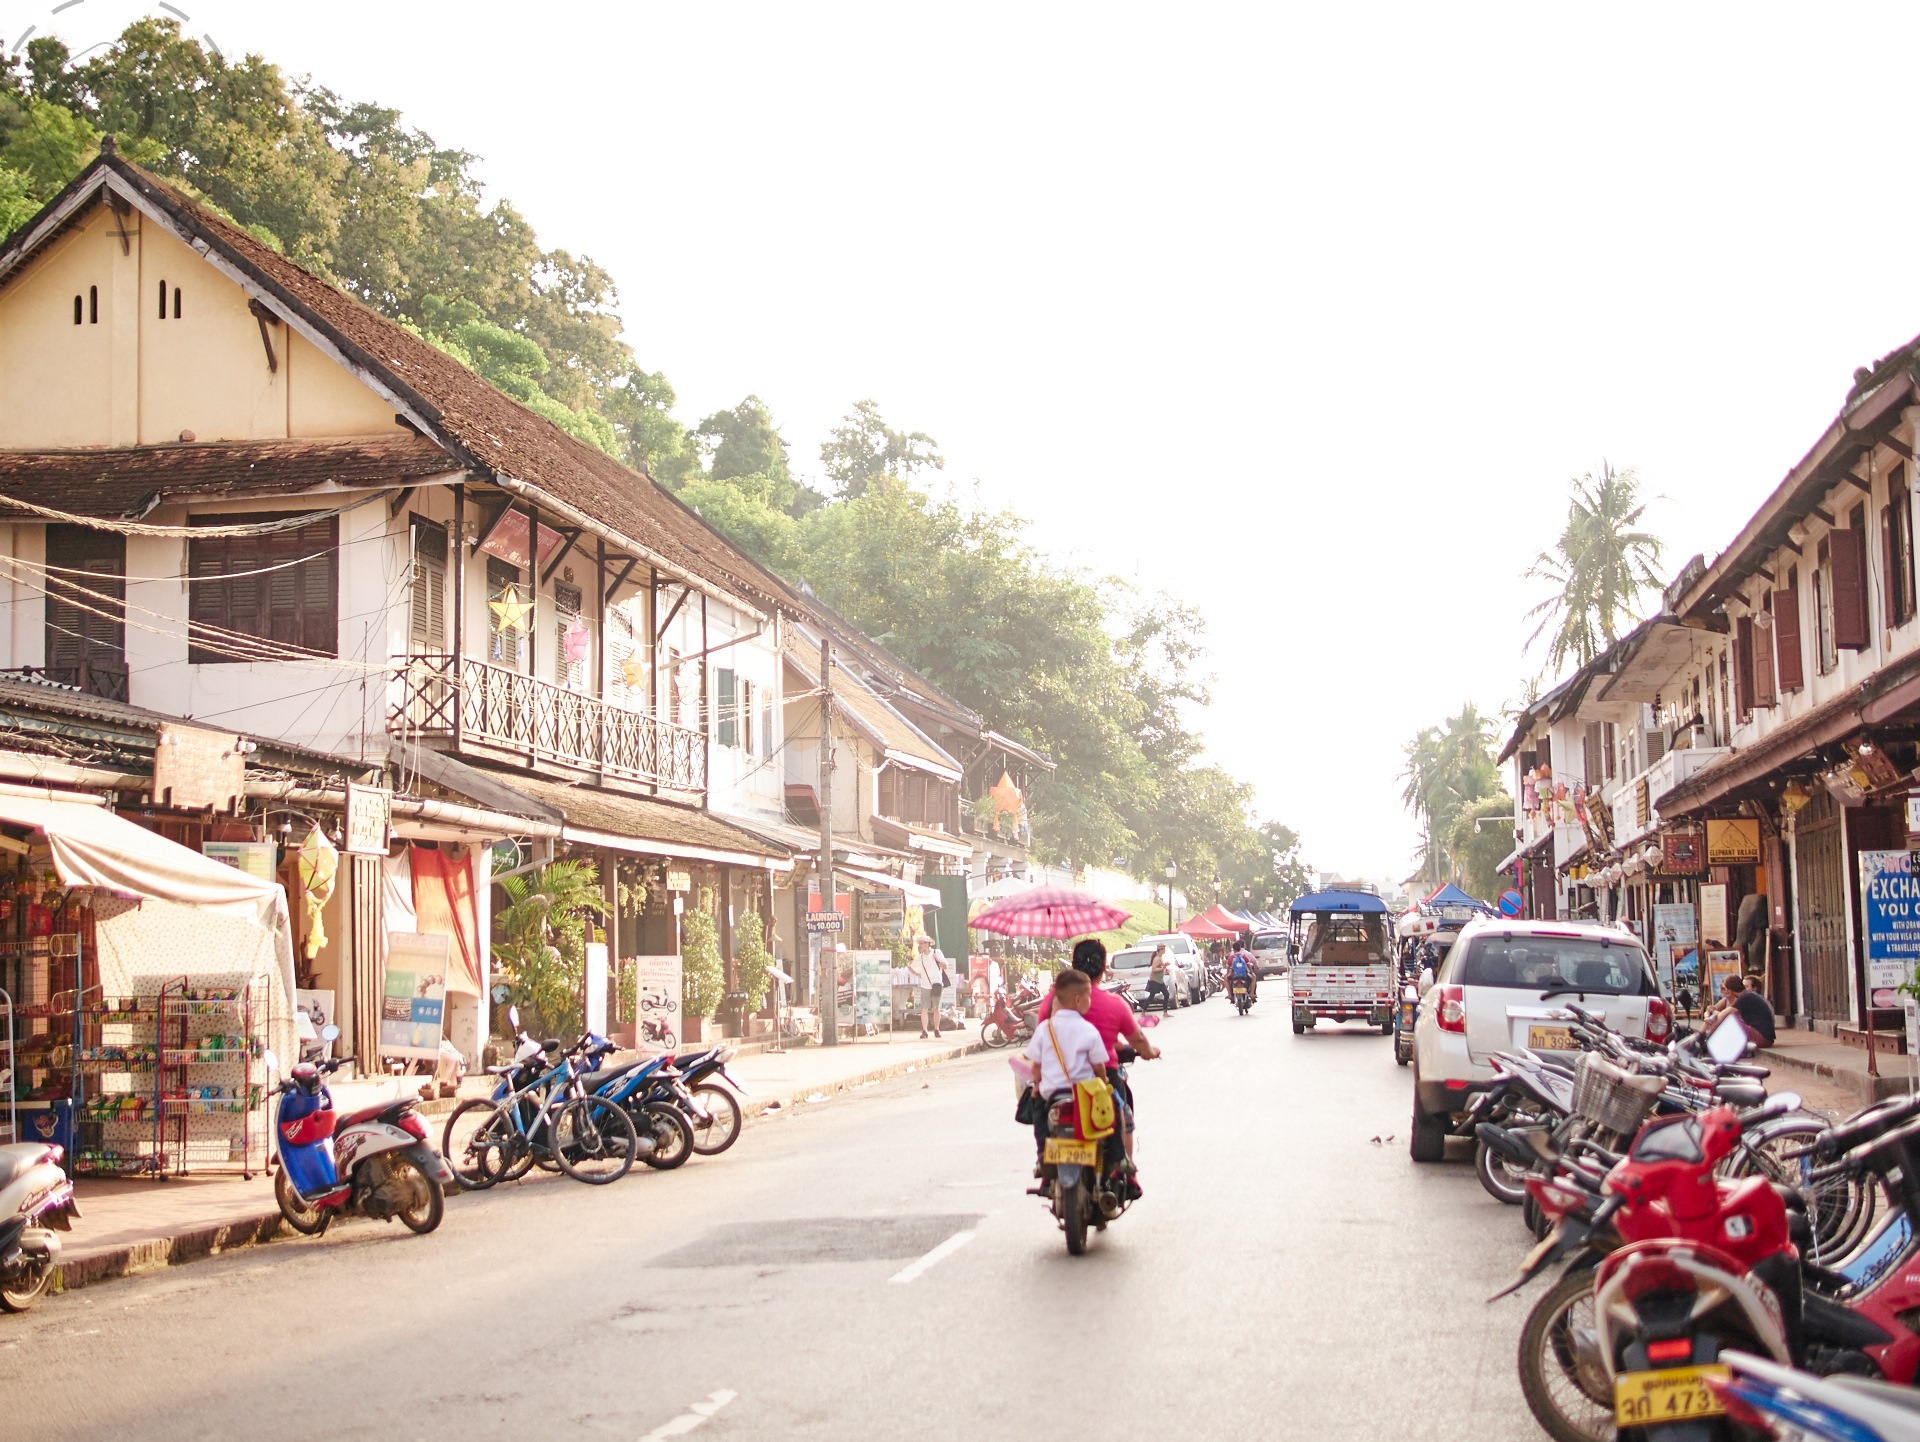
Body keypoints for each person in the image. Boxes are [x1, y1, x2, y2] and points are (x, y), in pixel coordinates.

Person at [1038, 939, 1160, 1197]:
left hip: (1056, 1078)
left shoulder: (1052, 1002)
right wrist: (1150, 1053)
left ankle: (1044, 1159)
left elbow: (1040, 1040)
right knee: (1122, 1113)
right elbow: (1137, 1039)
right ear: (1104, 968)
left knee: (1039, 1110)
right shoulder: (1114, 1004)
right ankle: (1123, 1169)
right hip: (1098, 1076)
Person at [1022, 968, 1109, 1162]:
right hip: (1083, 1095)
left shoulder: (1045, 1028)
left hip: (1051, 1094)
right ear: (1078, 1000)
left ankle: (1043, 1151)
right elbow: (1099, 1066)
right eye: (1089, 997)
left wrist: (1037, 1085)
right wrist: (1103, 1082)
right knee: (1103, 1120)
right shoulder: (1088, 1030)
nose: (1090, 1001)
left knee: (1038, 1112)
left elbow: (1037, 1065)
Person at [910, 934, 950, 1039]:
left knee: (936, 1008)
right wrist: (918, 974)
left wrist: (938, 960)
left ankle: (936, 1029)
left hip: (937, 984)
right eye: (919, 943)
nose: (920, 946)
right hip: (925, 985)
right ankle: (925, 1030)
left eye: (922, 943)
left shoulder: (937, 953)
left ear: (928, 944)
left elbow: (945, 966)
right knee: (924, 1008)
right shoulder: (920, 958)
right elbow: (911, 967)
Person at [1721, 973, 1776, 1047]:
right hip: (1766, 1037)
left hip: (1763, 1038)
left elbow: (1725, 1014)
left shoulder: (1745, 997)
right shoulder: (1749, 995)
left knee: (1732, 1023)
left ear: (1730, 990)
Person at [1144, 945, 1173, 1010]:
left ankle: (1165, 1012)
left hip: (1160, 980)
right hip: (1155, 980)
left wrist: (1165, 967)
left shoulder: (1160, 957)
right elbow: (1154, 969)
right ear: (1160, 950)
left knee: (1166, 994)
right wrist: (1163, 967)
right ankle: (1143, 1011)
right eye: (1164, 949)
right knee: (1151, 996)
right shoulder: (1157, 958)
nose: (1165, 950)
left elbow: (1161, 967)